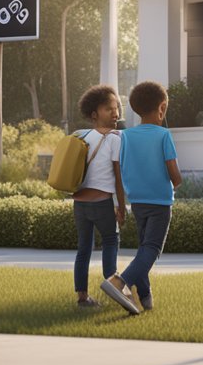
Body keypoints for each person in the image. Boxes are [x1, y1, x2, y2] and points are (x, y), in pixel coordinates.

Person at [100, 80, 182, 315]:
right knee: (153, 249)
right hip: (160, 203)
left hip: (138, 203)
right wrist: (176, 182)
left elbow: (120, 169)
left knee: (144, 248)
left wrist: (122, 201)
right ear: (162, 107)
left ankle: (145, 299)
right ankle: (120, 281)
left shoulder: (124, 137)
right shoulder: (163, 135)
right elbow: (174, 174)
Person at [71, 85, 126, 308]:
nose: (115, 113)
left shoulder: (80, 137)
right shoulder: (115, 138)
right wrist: (121, 207)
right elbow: (118, 178)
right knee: (111, 241)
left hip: (80, 203)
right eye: (108, 109)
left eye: (116, 108)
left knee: (84, 247)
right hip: (102, 203)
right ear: (94, 114)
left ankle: (82, 297)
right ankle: (112, 288)